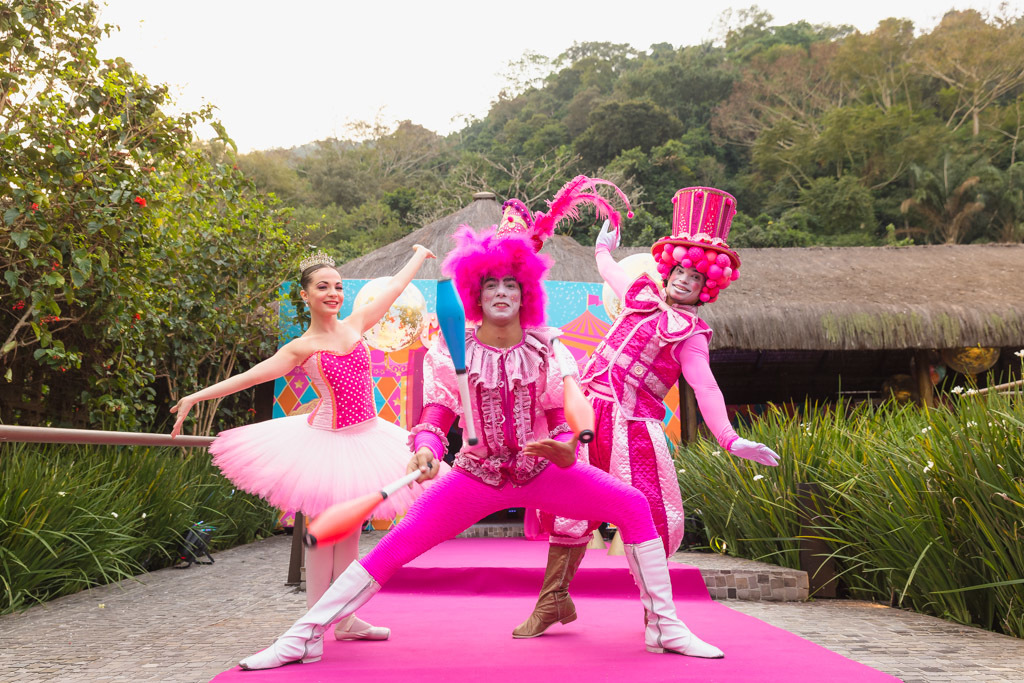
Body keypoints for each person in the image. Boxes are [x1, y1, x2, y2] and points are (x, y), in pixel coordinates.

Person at [237, 179, 725, 671]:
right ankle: (303, 636)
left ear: (524, 293)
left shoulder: (547, 347)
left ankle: (664, 626)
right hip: (475, 477)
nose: (501, 292)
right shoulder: (453, 350)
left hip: (542, 471)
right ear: (477, 292)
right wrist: (426, 449)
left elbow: (564, 413)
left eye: (511, 284)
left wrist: (566, 444)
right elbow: (437, 413)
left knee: (633, 505)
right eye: (491, 284)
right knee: (392, 547)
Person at [517, 186, 780, 639]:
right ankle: (553, 599)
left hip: (633, 427)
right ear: (669, 269)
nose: (684, 280)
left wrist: (730, 438)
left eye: (695, 277)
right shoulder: (640, 295)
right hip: (586, 414)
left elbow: (706, 387)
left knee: (647, 515)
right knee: (568, 505)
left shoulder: (691, 333)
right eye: (680, 271)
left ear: (706, 286)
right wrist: (603, 246)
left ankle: (657, 618)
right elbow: (609, 270)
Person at [170, 244, 437, 641]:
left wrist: (418, 254)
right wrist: (195, 397)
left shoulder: (357, 323)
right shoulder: (301, 348)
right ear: (305, 295)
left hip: (367, 438)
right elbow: (250, 377)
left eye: (338, 287)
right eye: (323, 287)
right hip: (326, 444)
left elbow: (395, 288)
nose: (333, 293)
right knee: (323, 536)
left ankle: (345, 621)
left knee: (350, 536)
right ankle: (310, 627)